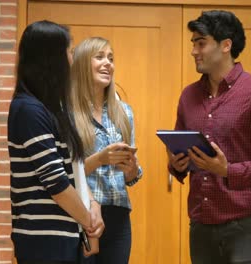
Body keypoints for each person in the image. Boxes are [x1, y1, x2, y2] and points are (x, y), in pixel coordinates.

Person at [167, 10, 251, 264]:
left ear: (226, 45)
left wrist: (228, 170)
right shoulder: (188, 96)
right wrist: (176, 164)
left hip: (245, 226)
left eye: (201, 43)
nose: (194, 51)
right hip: (200, 225)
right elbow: (177, 149)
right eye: (193, 44)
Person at [8, 20, 101, 264]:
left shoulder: (54, 109)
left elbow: (73, 167)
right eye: (69, 53)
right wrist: (88, 222)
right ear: (51, 60)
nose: (72, 61)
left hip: (68, 234)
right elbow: (56, 183)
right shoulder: (28, 109)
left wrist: (93, 204)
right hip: (43, 241)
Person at [70, 37, 143, 264]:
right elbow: (65, 171)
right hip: (82, 214)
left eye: (111, 59)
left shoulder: (123, 111)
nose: (108, 64)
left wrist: (132, 169)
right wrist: (100, 159)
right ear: (82, 64)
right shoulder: (67, 112)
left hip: (119, 216)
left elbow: (131, 177)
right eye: (99, 57)